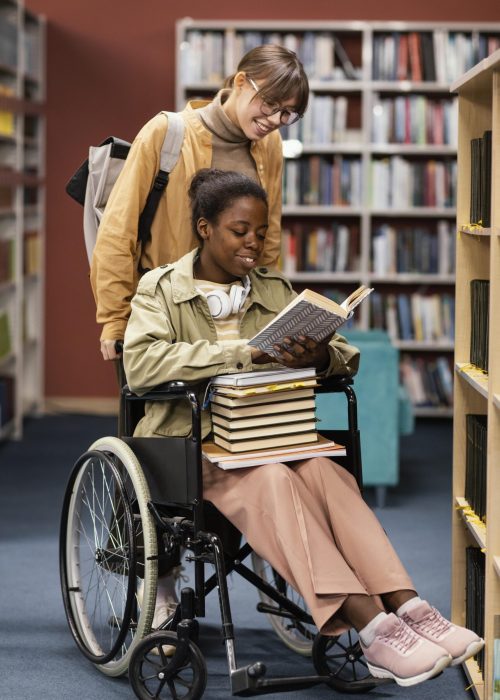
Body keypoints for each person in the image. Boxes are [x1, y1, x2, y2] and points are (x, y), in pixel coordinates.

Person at [123, 169, 484, 688]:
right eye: (239, 230)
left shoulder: (272, 288)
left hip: (273, 434)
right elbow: (142, 365)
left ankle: (410, 609)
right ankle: (375, 629)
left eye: (260, 231)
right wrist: (243, 353)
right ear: (204, 228)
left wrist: (321, 357)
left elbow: (345, 356)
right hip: (194, 443)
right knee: (274, 480)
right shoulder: (160, 289)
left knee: (324, 469)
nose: (253, 242)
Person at [91, 44, 309, 363]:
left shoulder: (270, 146)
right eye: (270, 103)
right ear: (239, 82)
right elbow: (116, 231)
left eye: (287, 113)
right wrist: (115, 318)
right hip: (169, 313)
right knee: (172, 413)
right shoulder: (166, 133)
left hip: (239, 314)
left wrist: (271, 309)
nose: (275, 119)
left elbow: (269, 236)